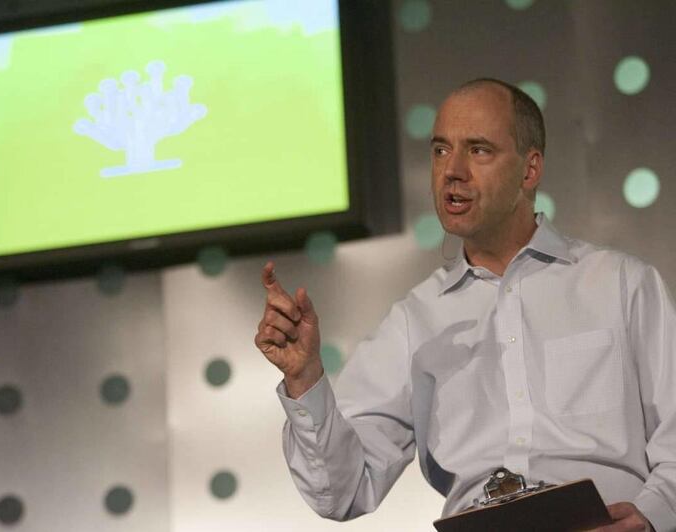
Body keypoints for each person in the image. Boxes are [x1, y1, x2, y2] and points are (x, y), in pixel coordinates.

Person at [254, 78, 676, 532]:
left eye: (478, 150)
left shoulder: (619, 284)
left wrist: (650, 517)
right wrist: (305, 379)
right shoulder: (415, 320)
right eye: (440, 150)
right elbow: (343, 491)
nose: (451, 171)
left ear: (530, 170)